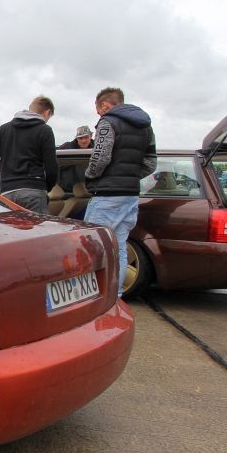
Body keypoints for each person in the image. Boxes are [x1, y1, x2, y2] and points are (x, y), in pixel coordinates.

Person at [84, 87, 157, 297]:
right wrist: (130, 176)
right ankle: (114, 296)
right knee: (119, 248)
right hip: (130, 195)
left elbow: (100, 157)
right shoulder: (146, 127)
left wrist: (89, 176)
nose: (98, 114)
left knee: (92, 246)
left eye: (98, 110)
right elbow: (151, 164)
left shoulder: (108, 122)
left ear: (105, 105)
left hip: (107, 195)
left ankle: (91, 298)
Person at [0, 95, 58, 214]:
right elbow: (52, 169)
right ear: (47, 112)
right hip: (33, 192)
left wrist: (5, 143)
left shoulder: (5, 129)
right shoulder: (45, 130)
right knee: (37, 227)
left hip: (7, 194)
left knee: (12, 227)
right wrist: (46, 187)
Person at [58, 125, 94, 194]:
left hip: (90, 190)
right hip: (67, 190)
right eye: (80, 138)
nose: (83, 141)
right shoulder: (66, 147)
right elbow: (53, 164)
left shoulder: (96, 149)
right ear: (77, 138)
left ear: (91, 136)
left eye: (86, 137)